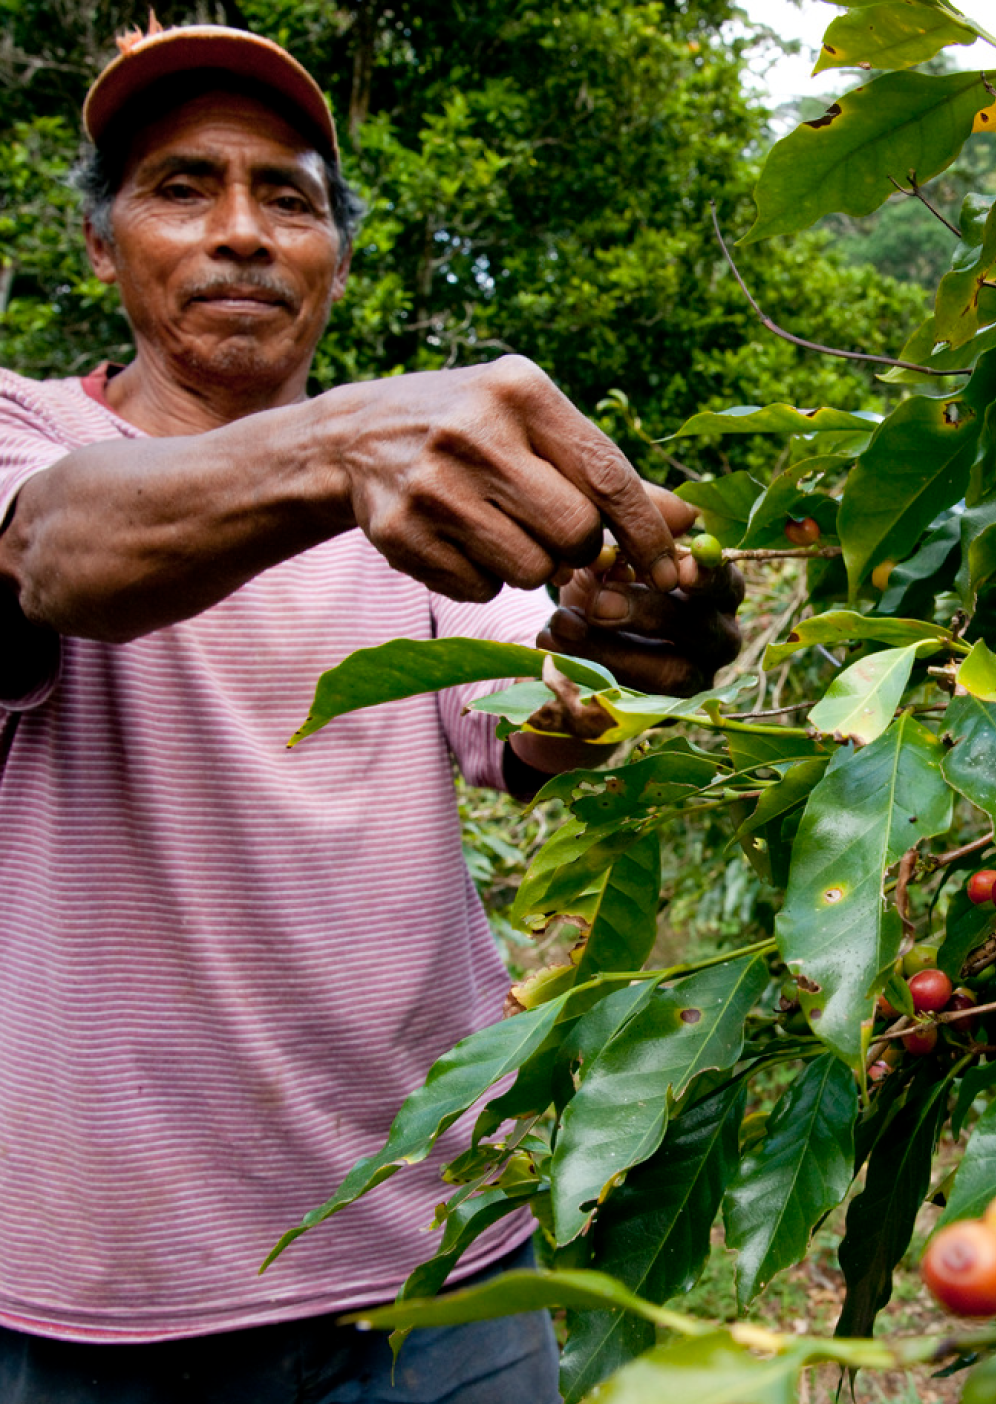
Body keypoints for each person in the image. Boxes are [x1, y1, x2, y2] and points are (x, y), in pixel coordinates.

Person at [0, 21, 742, 1404]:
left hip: (435, 1262)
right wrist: (343, 449)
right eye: (181, 187)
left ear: (335, 257)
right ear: (102, 248)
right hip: (97, 1301)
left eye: (287, 196)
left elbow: (545, 692)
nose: (241, 232)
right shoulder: (32, 437)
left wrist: (629, 637)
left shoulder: (415, 501)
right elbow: (54, 555)